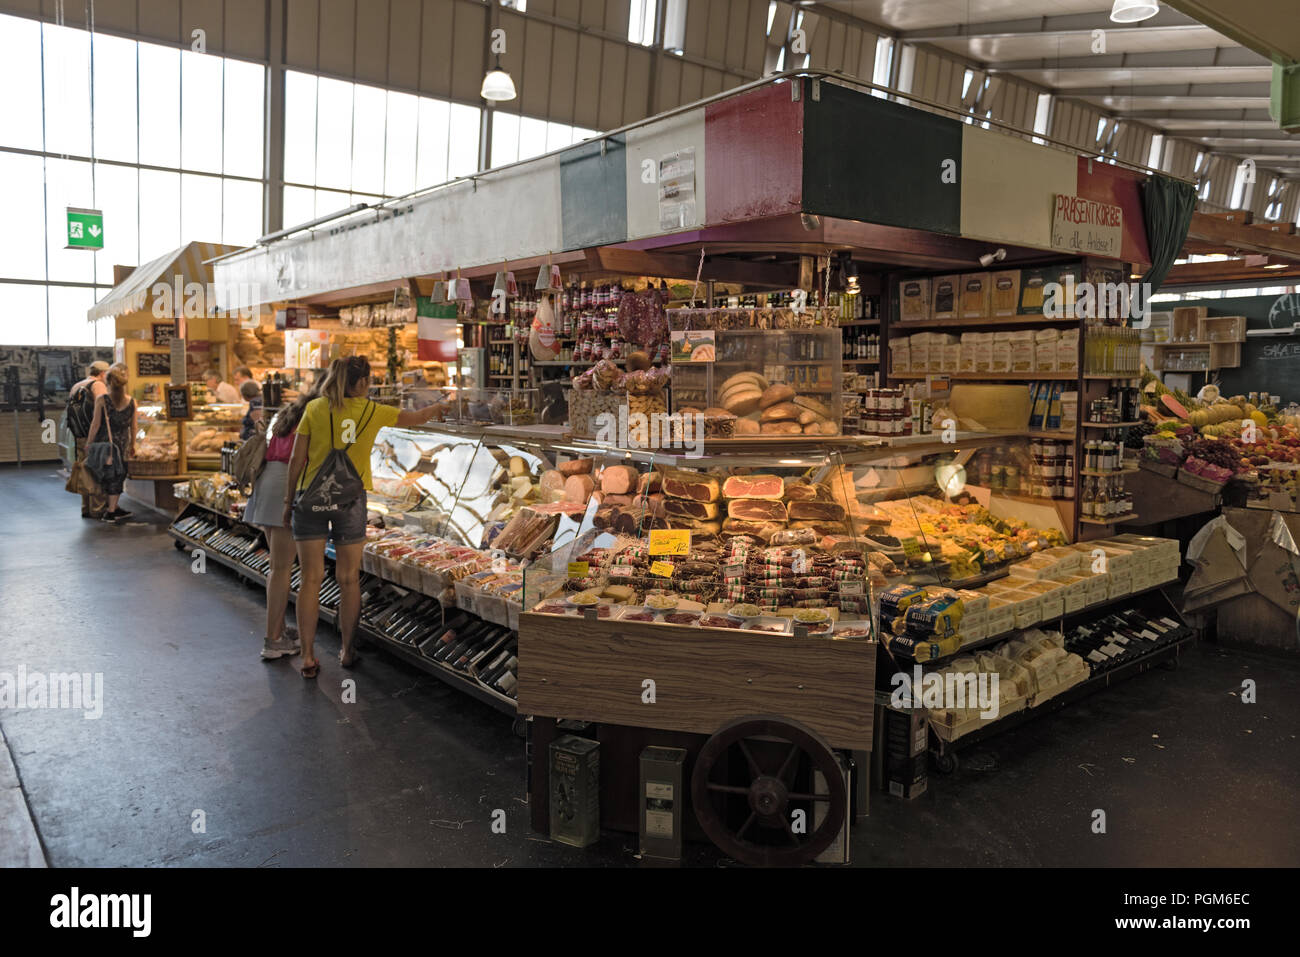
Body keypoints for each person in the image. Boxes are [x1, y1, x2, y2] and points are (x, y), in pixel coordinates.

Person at [283, 356, 438, 678]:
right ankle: (347, 650)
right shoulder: (374, 411)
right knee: (349, 578)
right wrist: (443, 405)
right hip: (351, 501)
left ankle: (308, 656)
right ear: (364, 382)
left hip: (311, 497)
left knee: (311, 579)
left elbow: (296, 459)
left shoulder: (314, 409)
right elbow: (419, 418)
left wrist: (288, 501)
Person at [243, 385, 320, 661]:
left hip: (266, 482)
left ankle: (278, 632)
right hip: (287, 484)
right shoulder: (316, 416)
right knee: (281, 568)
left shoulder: (289, 413)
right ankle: (272, 641)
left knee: (277, 567)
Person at [84, 363, 136, 523]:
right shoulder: (132, 401)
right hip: (122, 445)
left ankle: (110, 510)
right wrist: (132, 445)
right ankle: (113, 508)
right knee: (119, 476)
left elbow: (95, 424)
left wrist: (89, 443)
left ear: (108, 382)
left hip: (105, 444)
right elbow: (134, 427)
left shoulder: (102, 400)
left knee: (107, 476)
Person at [68, 361, 110, 518]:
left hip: (79, 435)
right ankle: (98, 509)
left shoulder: (76, 385)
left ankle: (86, 507)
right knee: (97, 471)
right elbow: (104, 408)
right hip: (95, 435)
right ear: (103, 373)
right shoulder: (98, 385)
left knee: (84, 471)